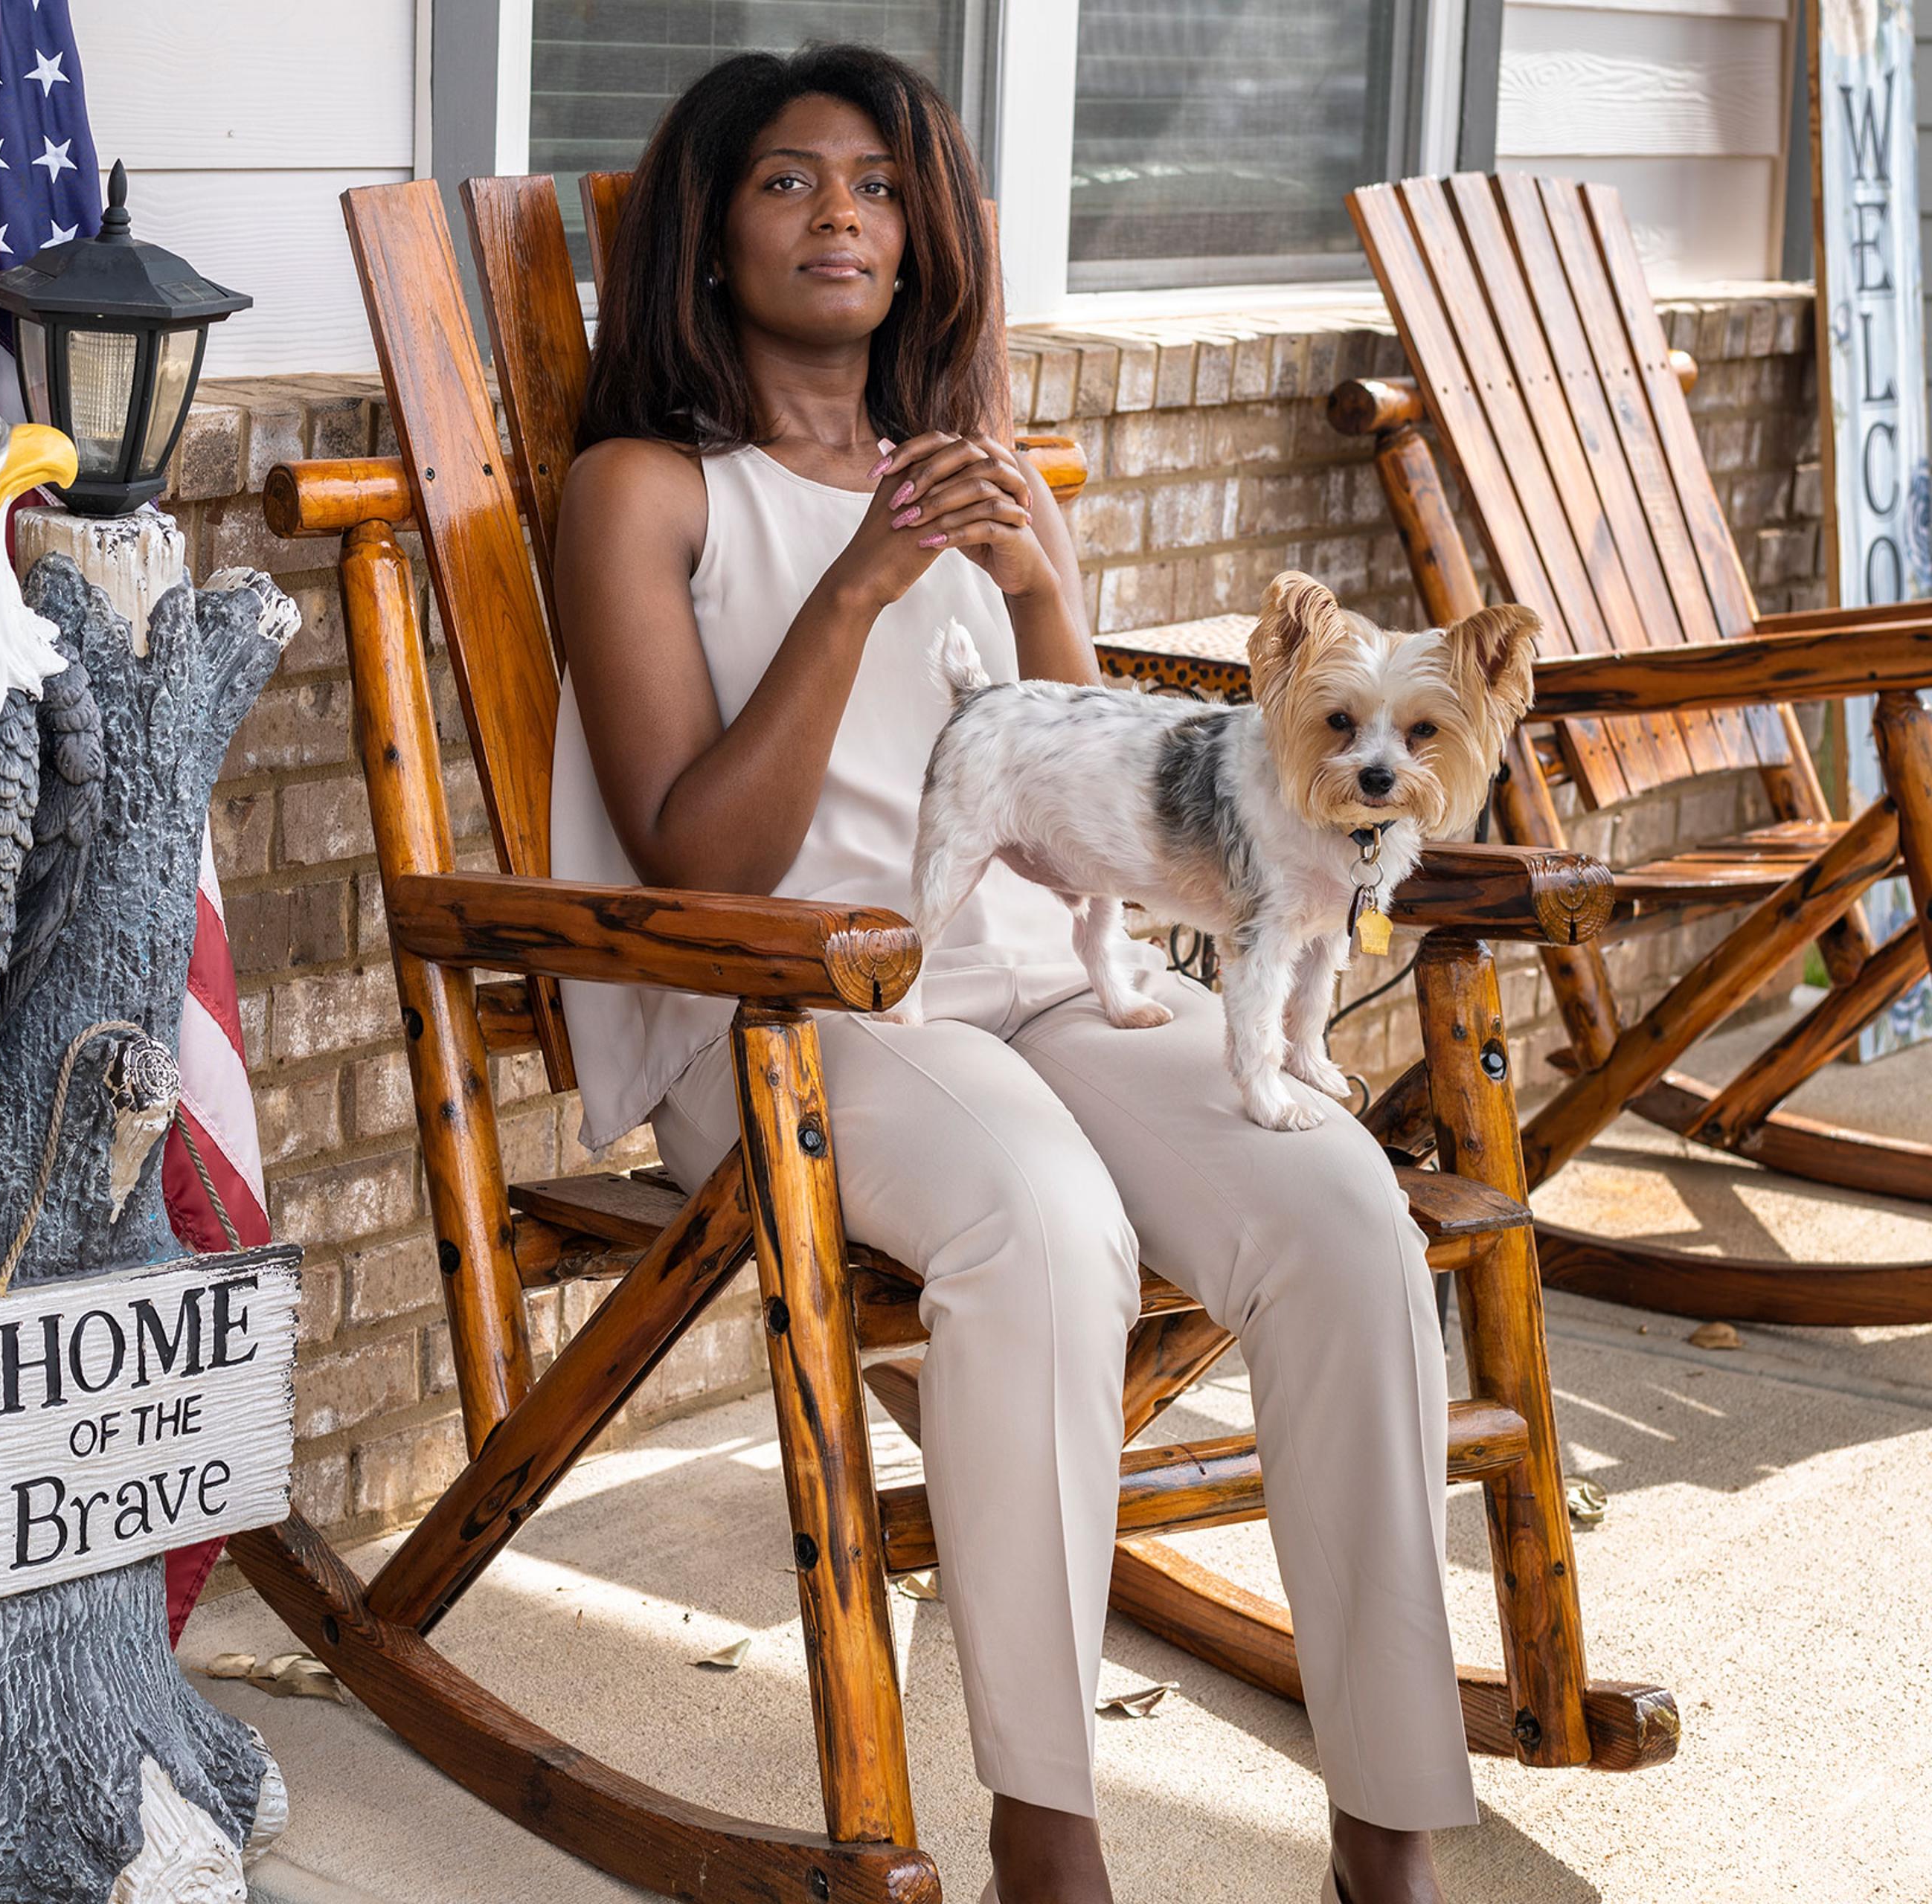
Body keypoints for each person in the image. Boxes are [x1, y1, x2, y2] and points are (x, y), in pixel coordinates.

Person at [548, 43, 1471, 1904]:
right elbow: (695, 855)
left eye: (881, 188)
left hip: (1051, 986)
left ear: (924, 241)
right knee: (1045, 1227)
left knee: (1341, 1203)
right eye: (790, 181)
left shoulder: (974, 480)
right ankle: (1048, 1829)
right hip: (796, 1016)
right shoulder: (649, 492)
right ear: (711, 236)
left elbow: (1093, 768)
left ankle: (1390, 1827)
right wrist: (861, 585)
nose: (843, 217)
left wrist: (1036, 581)